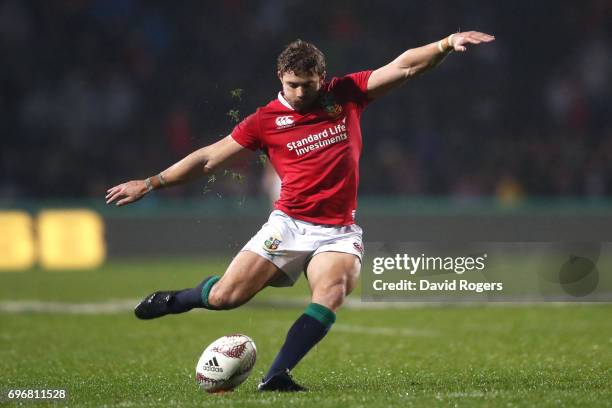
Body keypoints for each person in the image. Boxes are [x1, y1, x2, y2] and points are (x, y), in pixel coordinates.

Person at [106, 31, 495, 391]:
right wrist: (152, 182)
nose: (298, 93)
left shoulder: (344, 94)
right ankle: (180, 300)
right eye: (291, 85)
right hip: (289, 225)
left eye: (307, 86)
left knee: (332, 292)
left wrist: (446, 43)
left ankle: (276, 374)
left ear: (321, 79)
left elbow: (404, 66)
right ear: (280, 76)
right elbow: (209, 159)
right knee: (226, 297)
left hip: (338, 231)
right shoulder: (264, 121)